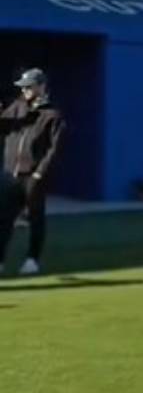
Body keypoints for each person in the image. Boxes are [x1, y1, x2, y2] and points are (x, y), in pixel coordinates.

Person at [0, 68, 66, 276]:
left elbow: (55, 149)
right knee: (3, 219)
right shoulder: (17, 108)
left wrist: (39, 173)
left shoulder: (51, 115)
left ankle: (32, 260)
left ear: (41, 86)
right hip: (10, 174)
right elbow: (4, 127)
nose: (25, 90)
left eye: (29, 86)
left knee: (35, 218)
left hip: (33, 175)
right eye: (23, 87)